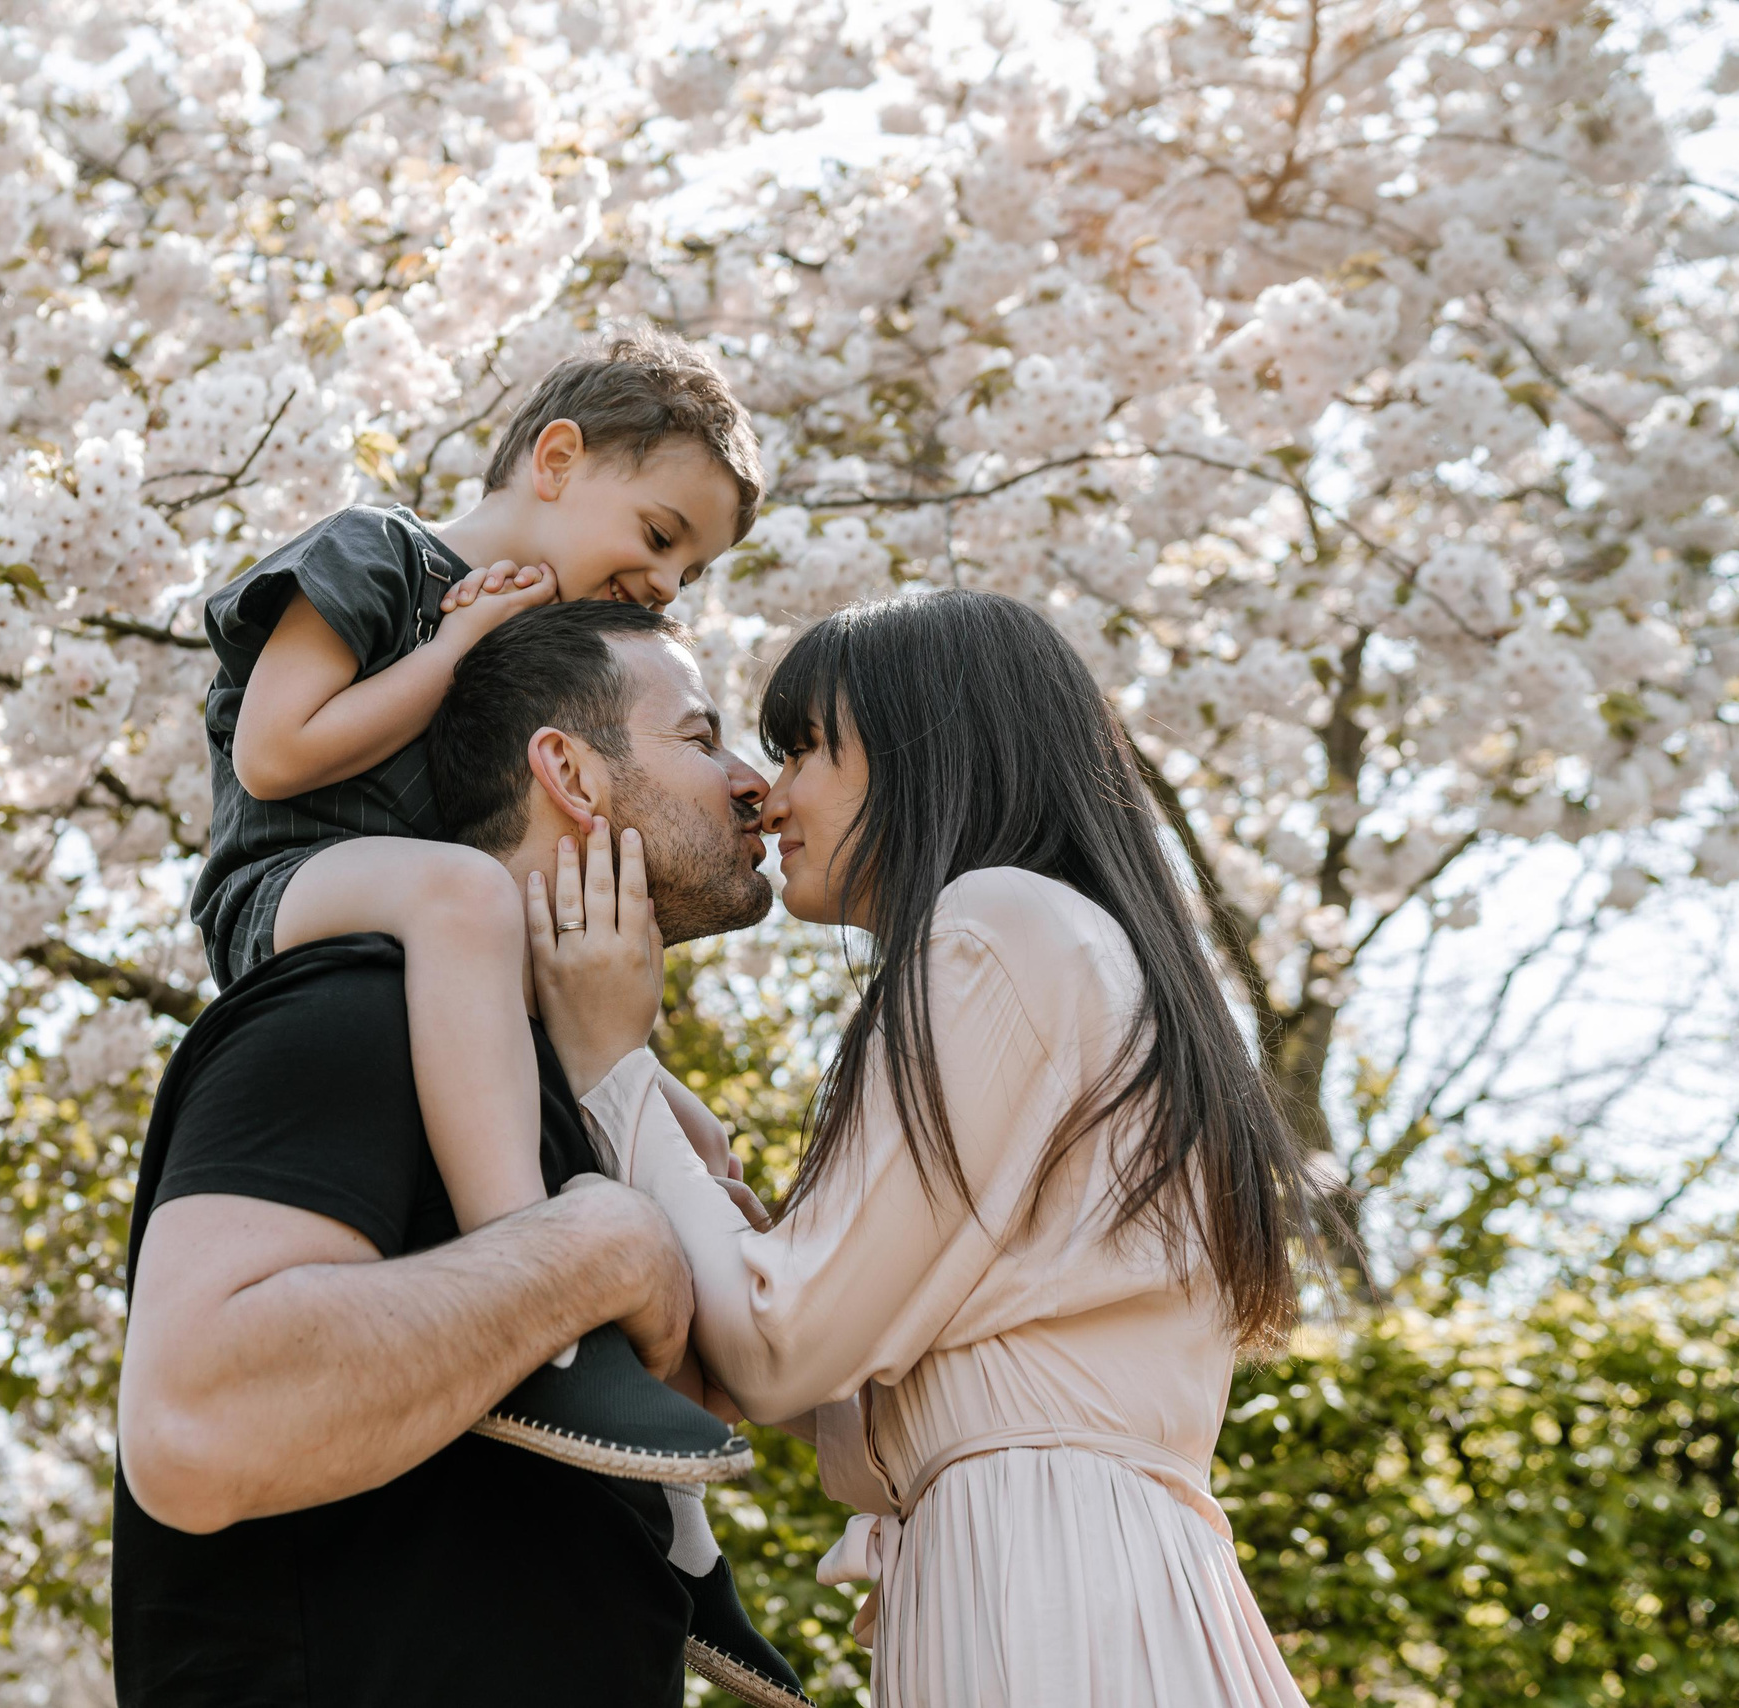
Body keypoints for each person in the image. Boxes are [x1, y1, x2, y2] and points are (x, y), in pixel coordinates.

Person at [541, 589, 1324, 1706]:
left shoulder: (996, 922)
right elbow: (853, 1372)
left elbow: (778, 1346)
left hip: (1045, 1583)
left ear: (929, 749)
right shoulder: (1064, 944)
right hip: (1077, 1573)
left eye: (807, 749)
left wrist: (609, 1064)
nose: (771, 792)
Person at [113, 603, 807, 1708]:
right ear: (568, 773)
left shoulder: (570, 1096)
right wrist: (598, 1250)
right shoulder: (354, 1010)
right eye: (699, 736)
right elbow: (193, 1426)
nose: (752, 784)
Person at [187, 326, 765, 1478]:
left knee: (667, 1109)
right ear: (555, 459)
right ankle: (539, 1292)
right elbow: (275, 754)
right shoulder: (375, 554)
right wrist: (456, 641)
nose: (665, 584)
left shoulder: (518, 643)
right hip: (285, 885)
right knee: (463, 888)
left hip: (421, 925)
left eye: (690, 573)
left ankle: (690, 1475)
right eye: (660, 536)